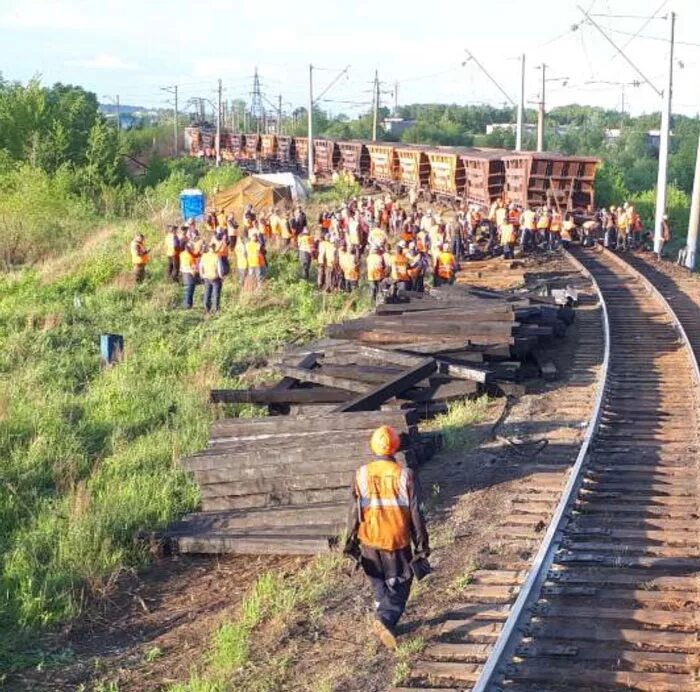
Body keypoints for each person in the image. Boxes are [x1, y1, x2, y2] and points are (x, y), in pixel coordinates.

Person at [344, 425, 430, 649]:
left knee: (379, 582)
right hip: (395, 540)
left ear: (373, 446)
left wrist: (349, 541)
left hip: (368, 540)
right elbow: (416, 513)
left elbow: (353, 510)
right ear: (396, 447)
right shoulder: (404, 475)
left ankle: (385, 624)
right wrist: (421, 546)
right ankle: (384, 620)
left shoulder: (361, 474)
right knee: (401, 582)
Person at [200, 243, 224, 313]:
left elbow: (200, 266)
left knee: (207, 293)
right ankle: (216, 309)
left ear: (208, 248)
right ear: (214, 248)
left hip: (206, 277)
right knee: (216, 294)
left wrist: (202, 275)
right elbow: (219, 268)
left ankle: (206, 308)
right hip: (215, 278)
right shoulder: (216, 256)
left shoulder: (204, 256)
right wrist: (221, 277)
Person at [180, 242, 199, 309]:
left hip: (184, 274)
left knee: (187, 290)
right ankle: (187, 305)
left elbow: (194, 255)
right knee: (189, 291)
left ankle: (187, 304)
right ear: (188, 248)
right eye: (191, 248)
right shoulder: (189, 257)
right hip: (190, 274)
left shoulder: (182, 254)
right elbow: (192, 266)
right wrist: (196, 270)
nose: (192, 249)